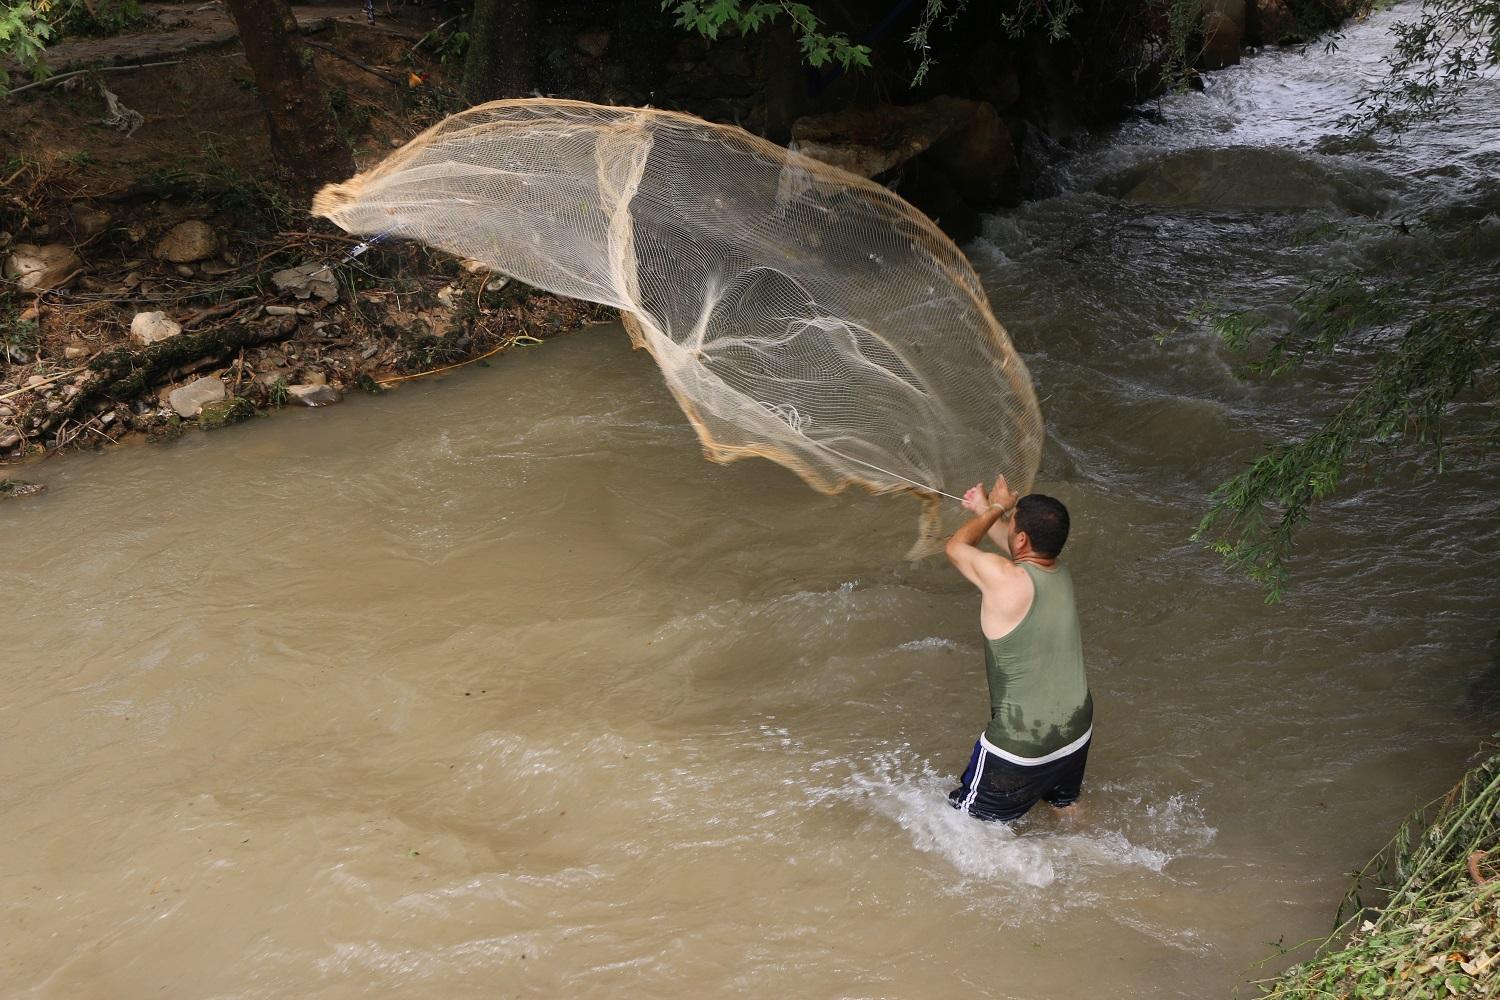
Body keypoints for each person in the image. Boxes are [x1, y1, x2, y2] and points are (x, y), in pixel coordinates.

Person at [942, 474, 1092, 823]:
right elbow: (1017, 549)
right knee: (1065, 808)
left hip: (1022, 744)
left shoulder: (1007, 579)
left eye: (1012, 527)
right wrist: (985, 509)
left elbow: (956, 547)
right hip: (1075, 732)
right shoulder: (1059, 571)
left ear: (1022, 537)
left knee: (961, 827)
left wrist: (997, 507)